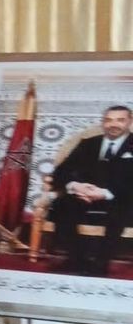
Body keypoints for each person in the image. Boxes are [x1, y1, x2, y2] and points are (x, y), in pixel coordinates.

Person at [48, 104, 133, 275]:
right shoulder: (88, 143)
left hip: (120, 197)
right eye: (108, 120)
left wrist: (105, 193)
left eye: (120, 120)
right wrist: (76, 186)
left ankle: (100, 264)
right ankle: (76, 259)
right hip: (84, 195)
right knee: (61, 205)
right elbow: (60, 172)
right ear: (103, 122)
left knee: (121, 210)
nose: (113, 124)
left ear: (130, 122)